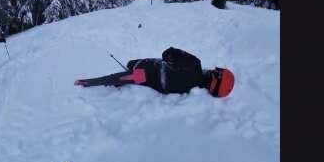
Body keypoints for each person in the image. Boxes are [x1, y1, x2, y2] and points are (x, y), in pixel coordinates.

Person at [75, 47, 235, 98]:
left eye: (216, 70)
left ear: (215, 75)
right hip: (149, 80)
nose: (214, 69)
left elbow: (168, 53)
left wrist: (172, 61)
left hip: (147, 69)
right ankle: (96, 82)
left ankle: (88, 82)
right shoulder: (192, 91)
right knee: (129, 73)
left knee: (130, 67)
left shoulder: (195, 64)